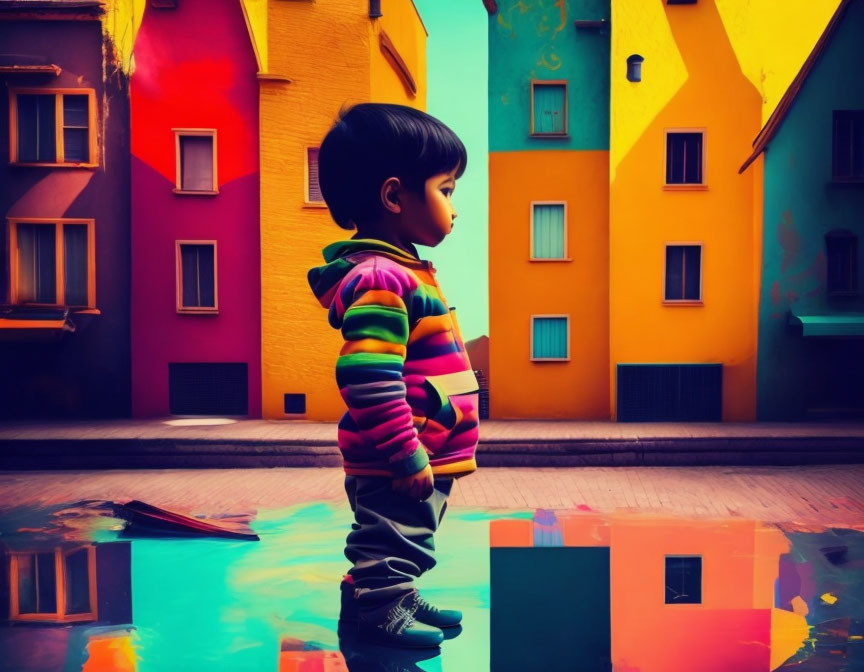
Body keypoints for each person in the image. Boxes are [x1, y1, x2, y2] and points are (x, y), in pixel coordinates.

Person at [307, 102, 480, 649]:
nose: (455, 207)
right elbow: (368, 375)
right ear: (394, 196)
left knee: (404, 534)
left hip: (422, 445)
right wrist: (405, 452)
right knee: (392, 531)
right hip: (403, 453)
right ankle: (382, 605)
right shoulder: (382, 277)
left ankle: (390, 595)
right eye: (446, 190)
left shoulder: (403, 270)